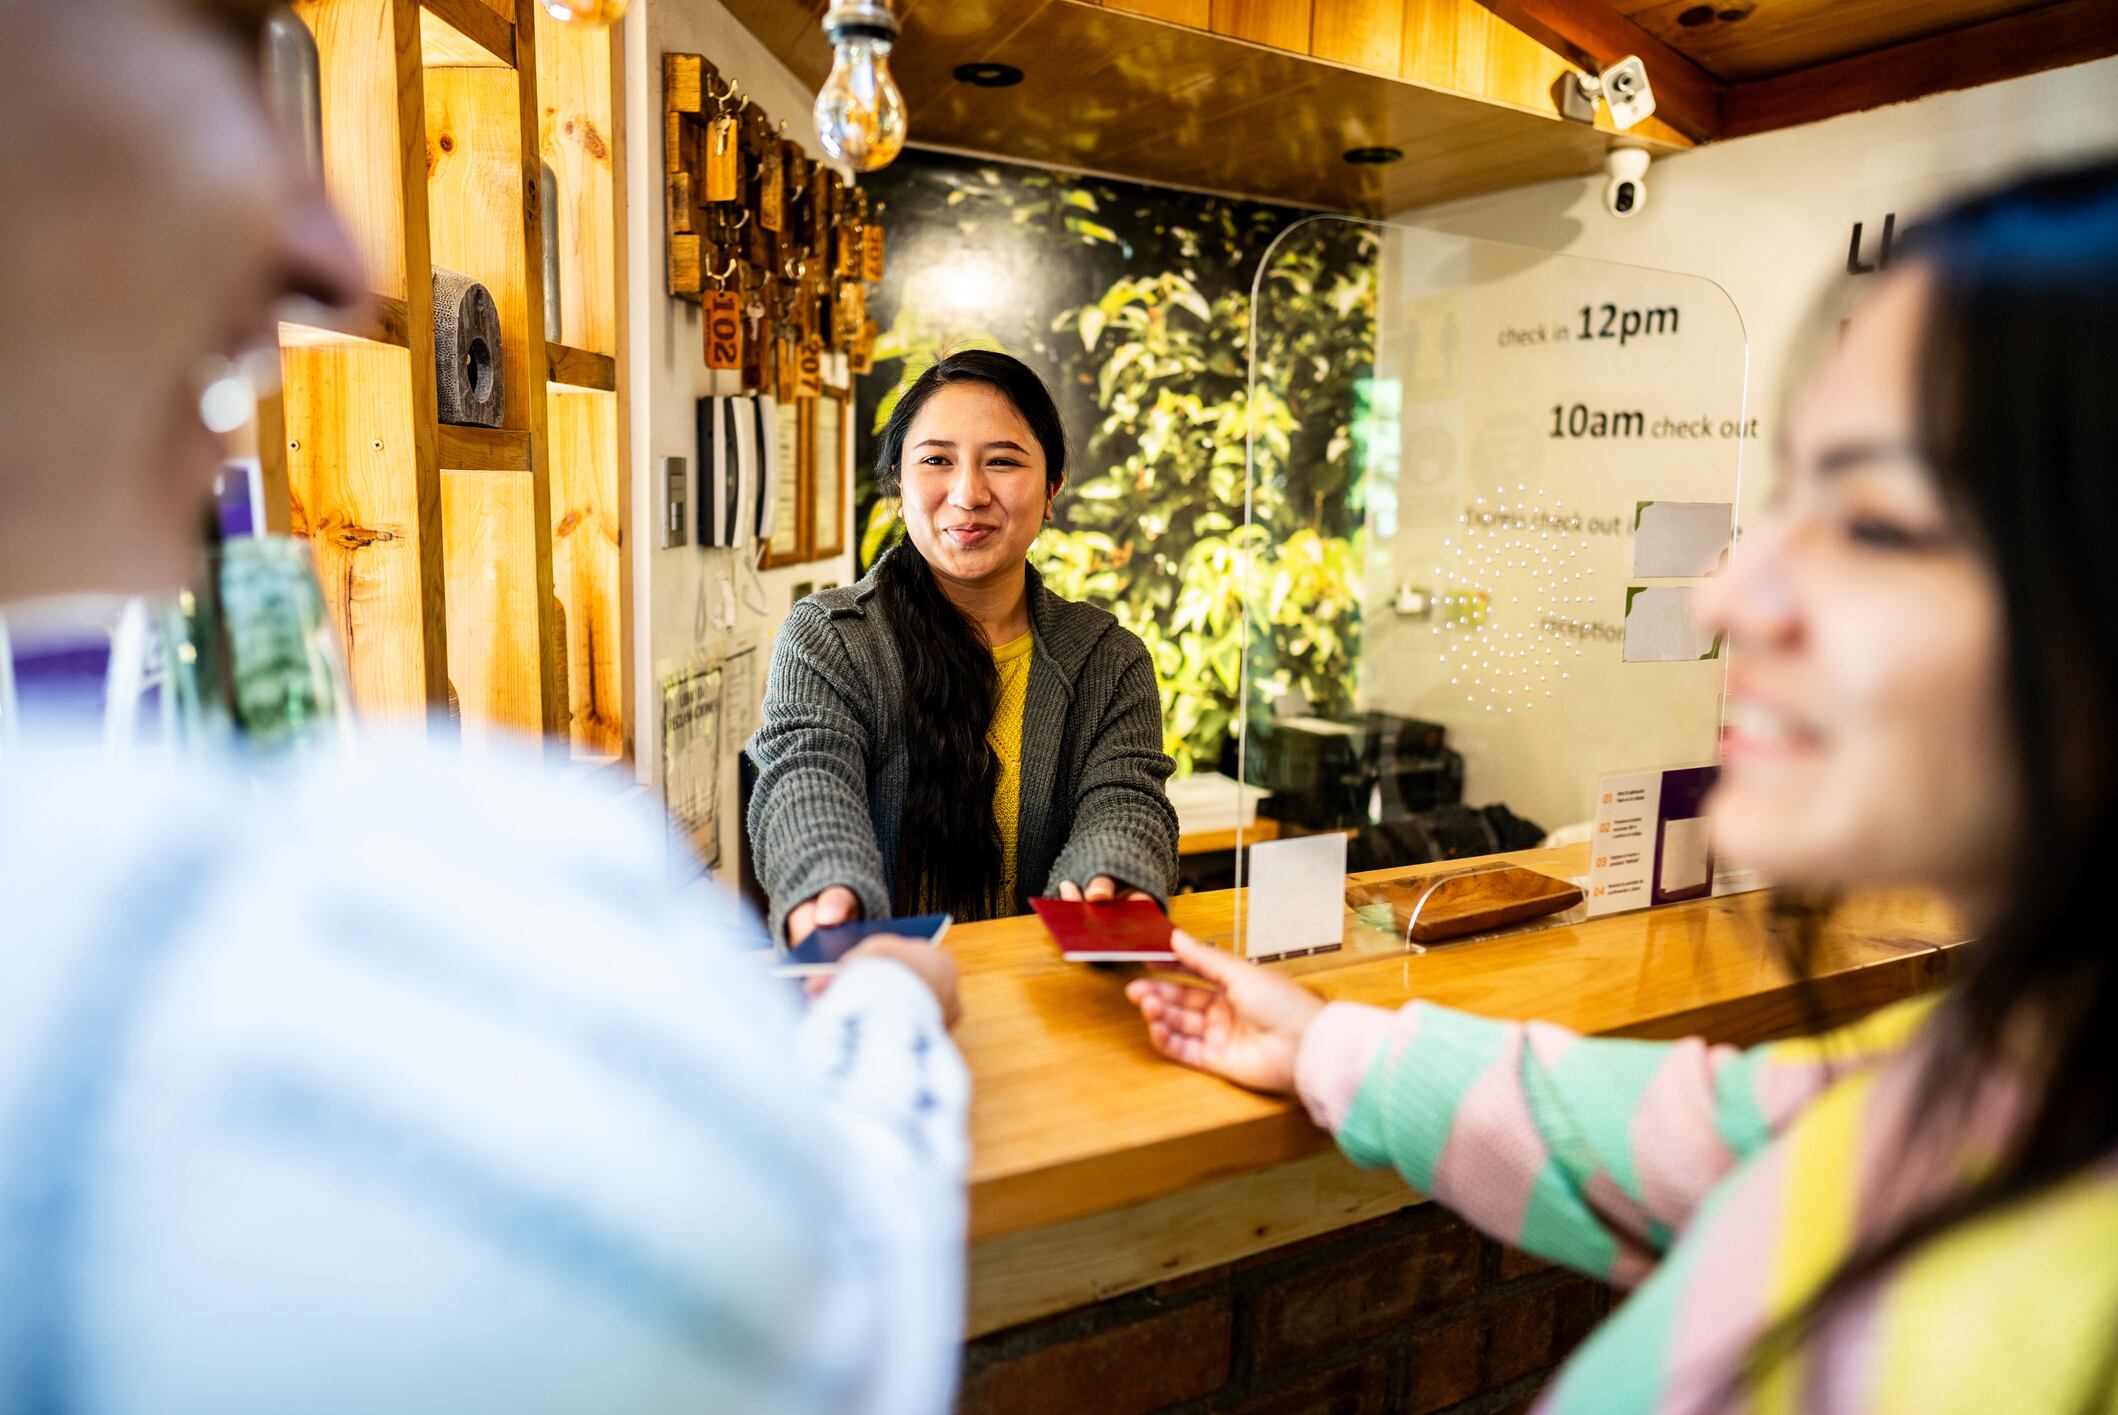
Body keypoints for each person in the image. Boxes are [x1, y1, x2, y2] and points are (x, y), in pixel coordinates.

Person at [0, 3, 967, 1412]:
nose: (328, 252)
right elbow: (827, 1314)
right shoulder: (439, 893)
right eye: (228, 53)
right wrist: (881, 992)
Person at [1126, 158, 2118, 1412]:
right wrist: (1329, 1039)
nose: (1726, 596)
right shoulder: (2003, 1066)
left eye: (1876, 520)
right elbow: (1705, 1136)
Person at [748, 349, 1179, 943]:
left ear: (1051, 490)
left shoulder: (1108, 658)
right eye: (936, 460)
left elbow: (1125, 798)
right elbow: (806, 774)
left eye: (1002, 461)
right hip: (882, 988)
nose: (968, 493)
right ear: (900, 484)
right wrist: (827, 885)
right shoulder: (830, 639)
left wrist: (1108, 874)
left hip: (1041, 996)